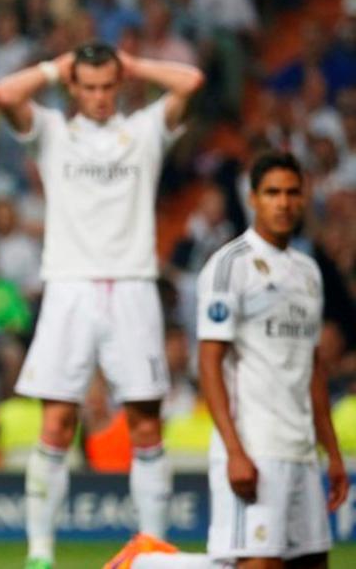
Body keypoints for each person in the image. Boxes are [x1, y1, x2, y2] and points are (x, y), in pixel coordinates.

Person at [0, 42, 205, 569]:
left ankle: (153, 549)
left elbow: (191, 83)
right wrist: (54, 66)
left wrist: (136, 65)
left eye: (109, 86)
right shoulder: (53, 133)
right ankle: (40, 554)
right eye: (88, 86)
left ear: (121, 84)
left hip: (133, 285)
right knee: (57, 423)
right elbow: (3, 92)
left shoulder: (147, 129)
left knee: (146, 424)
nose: (100, 96)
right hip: (70, 287)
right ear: (73, 88)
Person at [111, 151, 349, 569]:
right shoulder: (229, 267)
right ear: (253, 199)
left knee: (311, 563)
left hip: (300, 449)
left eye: (292, 193)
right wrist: (235, 450)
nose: (284, 202)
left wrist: (331, 452)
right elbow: (209, 363)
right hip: (254, 443)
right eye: (272, 192)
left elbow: (311, 367)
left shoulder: (308, 272)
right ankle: (148, 565)